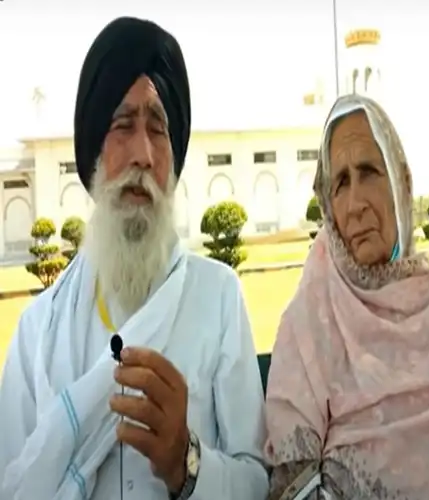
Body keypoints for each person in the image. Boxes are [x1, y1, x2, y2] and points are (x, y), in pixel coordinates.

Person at [0, 17, 269, 500]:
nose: (143, 153)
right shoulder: (38, 332)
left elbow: (256, 480)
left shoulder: (218, 297)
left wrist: (186, 463)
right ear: (93, 154)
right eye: (123, 126)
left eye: (158, 128)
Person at [263, 94, 429, 500]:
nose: (355, 204)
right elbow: (292, 482)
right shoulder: (309, 322)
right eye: (340, 183)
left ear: (401, 182)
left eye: (368, 172)